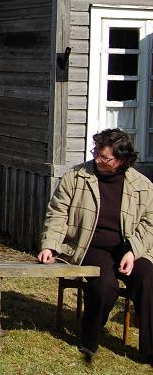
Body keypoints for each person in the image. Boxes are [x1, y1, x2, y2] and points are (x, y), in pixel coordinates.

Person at [37, 128, 153, 364]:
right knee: (105, 287)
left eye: (105, 157)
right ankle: (89, 339)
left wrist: (134, 252)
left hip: (129, 246)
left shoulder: (142, 185)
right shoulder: (76, 176)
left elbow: (150, 223)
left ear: (122, 159)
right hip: (89, 245)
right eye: (96, 153)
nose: (98, 160)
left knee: (148, 278)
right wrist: (50, 245)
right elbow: (58, 213)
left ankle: (149, 350)